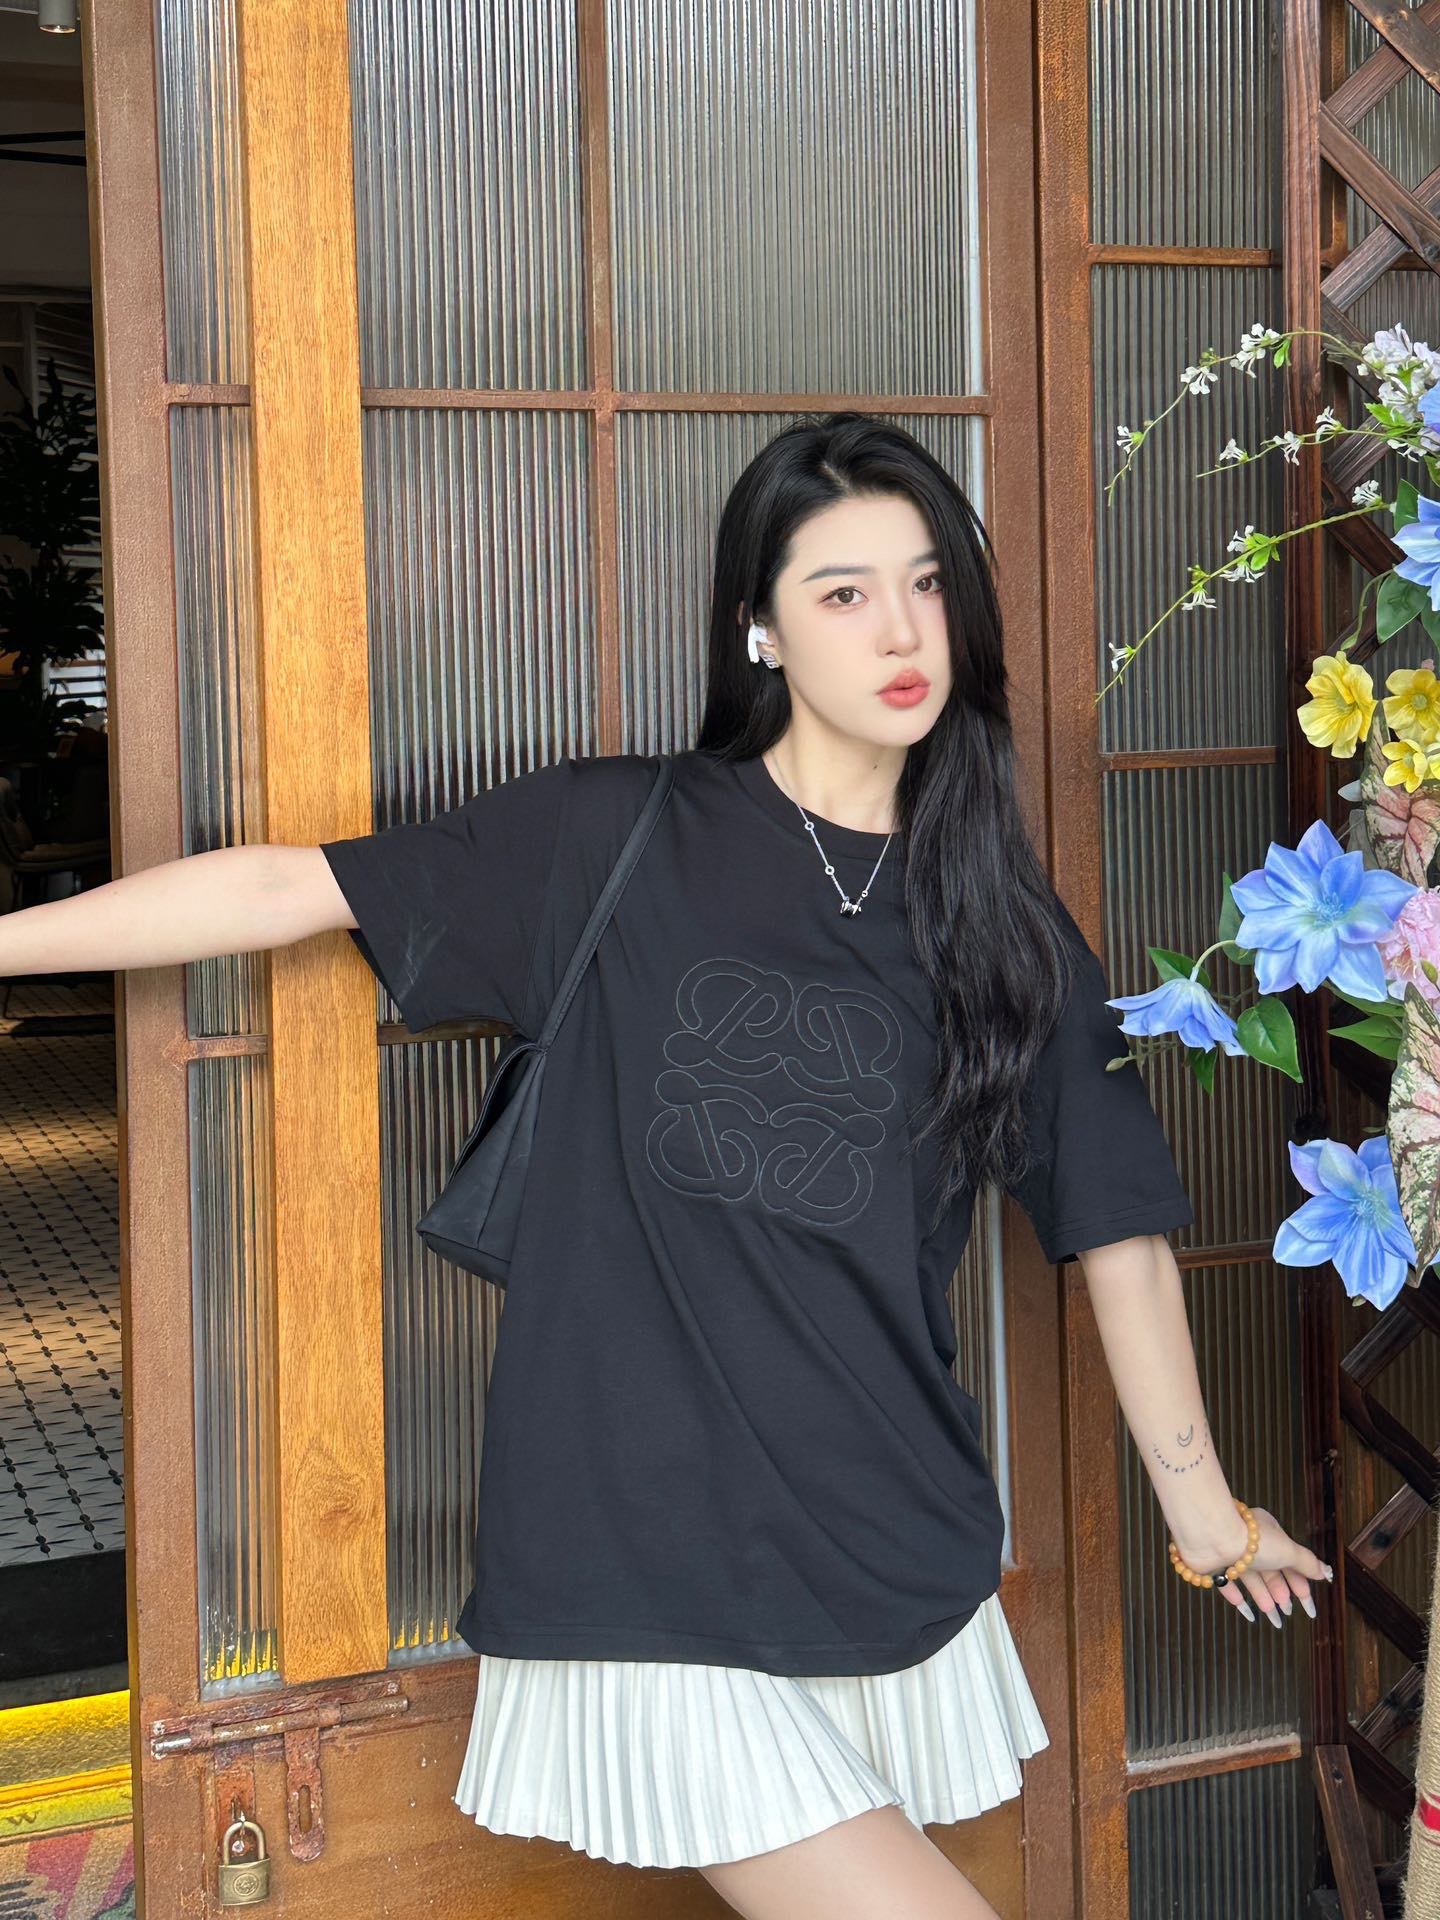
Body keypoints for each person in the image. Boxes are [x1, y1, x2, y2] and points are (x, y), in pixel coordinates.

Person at [3, 412, 1331, 1920]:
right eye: (842, 592)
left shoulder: (998, 923)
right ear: (760, 627)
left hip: (877, 1525)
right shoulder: (617, 835)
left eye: (926, 584)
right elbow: (289, 890)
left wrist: (1205, 1515)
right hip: (635, 1546)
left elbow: (1116, 1228)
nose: (901, 630)